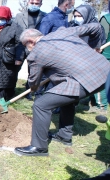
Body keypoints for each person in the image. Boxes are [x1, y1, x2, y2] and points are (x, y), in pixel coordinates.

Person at [14, 23, 110, 156]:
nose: (27, 49)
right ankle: (64, 136)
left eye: (26, 46)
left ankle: (39, 147)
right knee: (66, 97)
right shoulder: (63, 32)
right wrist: (96, 46)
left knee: (41, 105)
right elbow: (96, 27)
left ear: (30, 41)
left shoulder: (36, 53)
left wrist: (33, 89)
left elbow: (34, 82)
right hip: (106, 72)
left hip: (85, 80)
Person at [14, 0, 46, 101]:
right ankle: (11, 89)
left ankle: (30, 91)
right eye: (32, 3)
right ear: (28, 2)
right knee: (15, 69)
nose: (34, 5)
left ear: (41, 4)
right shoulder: (19, 16)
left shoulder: (45, 17)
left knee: (33, 71)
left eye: (37, 3)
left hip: (35, 48)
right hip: (20, 46)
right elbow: (14, 30)